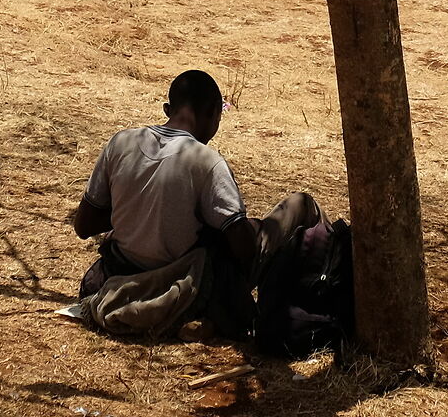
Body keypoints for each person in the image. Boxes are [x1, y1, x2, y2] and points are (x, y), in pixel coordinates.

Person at [69, 70, 319, 341]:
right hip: (183, 280)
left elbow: (84, 225)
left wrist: (133, 206)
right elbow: (245, 250)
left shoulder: (121, 143)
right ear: (213, 115)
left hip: (124, 271)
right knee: (299, 204)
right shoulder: (206, 162)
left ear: (168, 109)